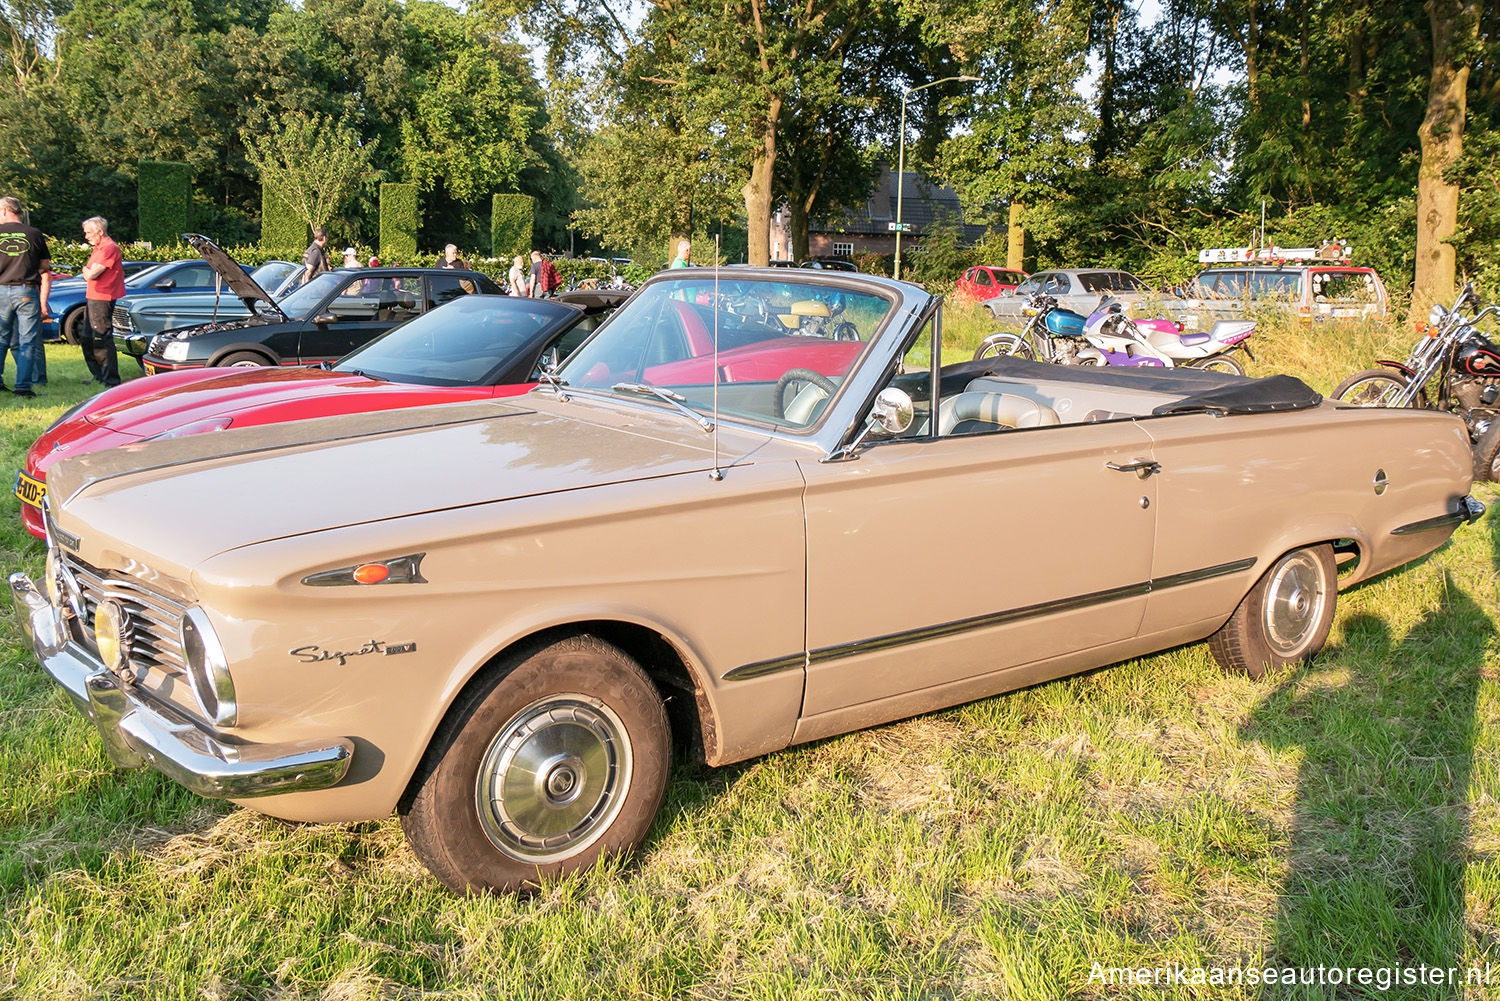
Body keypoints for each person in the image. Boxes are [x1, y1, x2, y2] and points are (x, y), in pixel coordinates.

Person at [0, 196, 51, 397]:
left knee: (1, 340)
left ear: (4, 211)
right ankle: (23, 386)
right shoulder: (34, 234)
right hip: (26, 290)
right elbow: (45, 266)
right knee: (27, 340)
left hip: (1, 290)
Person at [79, 216, 124, 387]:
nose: (86, 236)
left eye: (89, 232)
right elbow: (89, 273)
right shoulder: (98, 247)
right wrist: (87, 271)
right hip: (93, 296)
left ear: (100, 231)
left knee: (101, 337)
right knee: (87, 338)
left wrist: (86, 271)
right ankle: (98, 375)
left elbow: (91, 274)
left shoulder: (109, 247)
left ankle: (111, 379)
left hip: (103, 297)